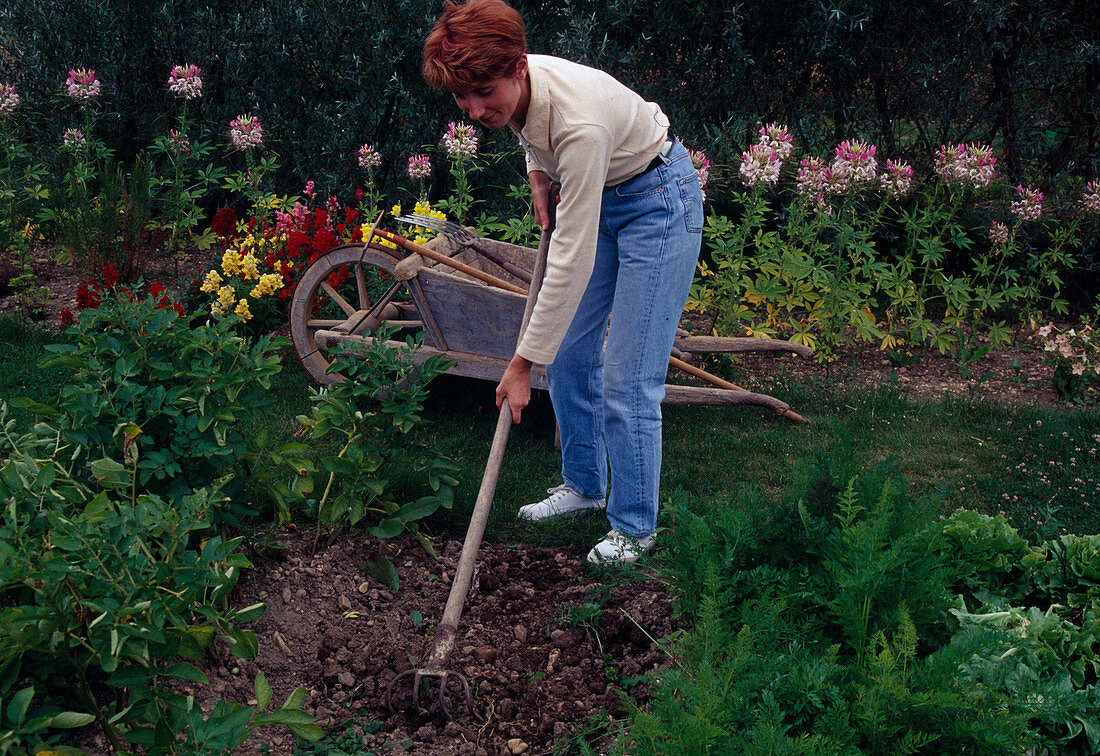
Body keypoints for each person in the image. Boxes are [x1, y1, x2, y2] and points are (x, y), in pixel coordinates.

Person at [422, 0, 702, 565]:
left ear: (518, 67)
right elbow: (531, 132)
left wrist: (521, 362)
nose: (474, 110)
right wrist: (535, 177)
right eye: (462, 97)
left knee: (629, 378)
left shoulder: (579, 125)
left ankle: (633, 526)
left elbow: (568, 262)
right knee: (572, 355)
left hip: (658, 204)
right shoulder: (520, 87)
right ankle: (585, 486)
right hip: (604, 190)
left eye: (483, 94)